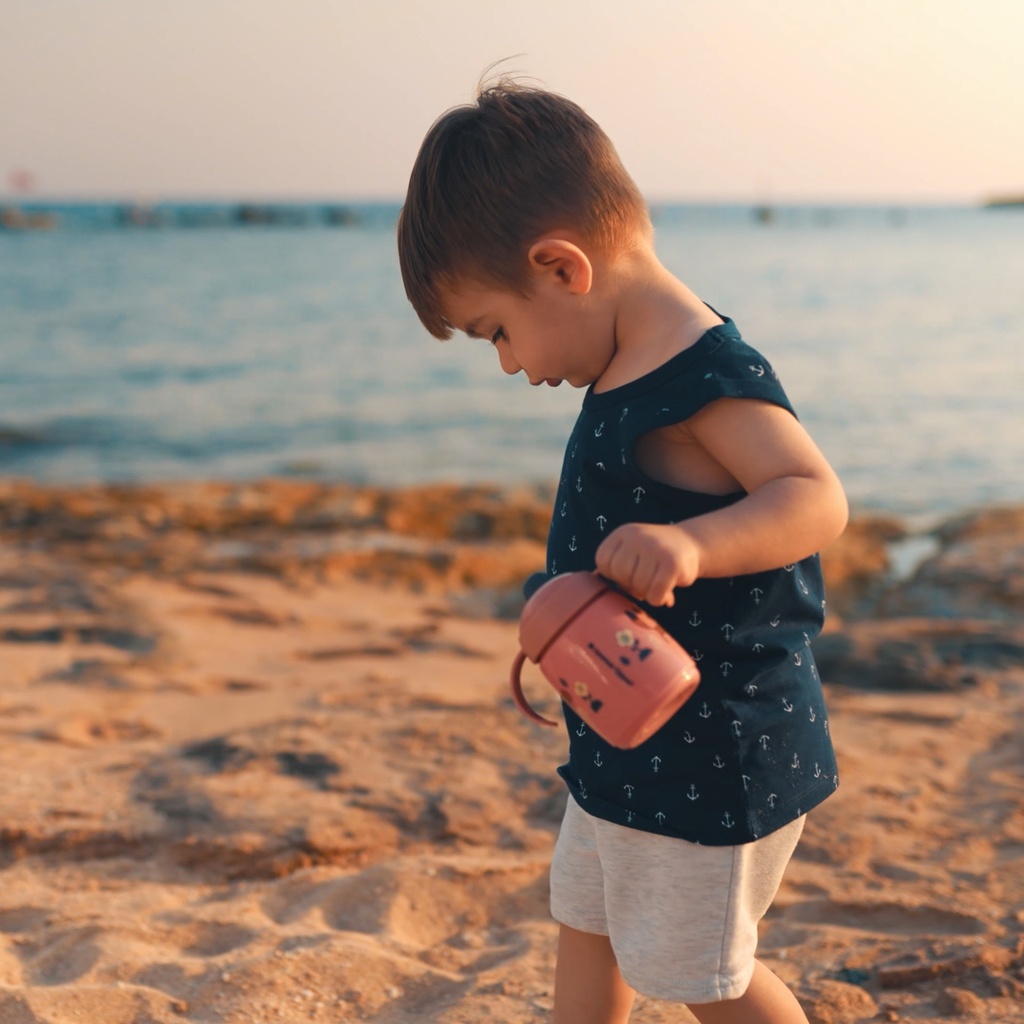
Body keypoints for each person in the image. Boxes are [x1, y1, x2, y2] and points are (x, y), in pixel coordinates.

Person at [397, 80, 848, 1024]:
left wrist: (692, 543)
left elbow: (815, 497)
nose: (509, 363)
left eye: (497, 331)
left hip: (716, 745)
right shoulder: (623, 363)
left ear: (562, 267)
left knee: (697, 972)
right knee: (589, 920)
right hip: (627, 735)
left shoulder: (706, 374)